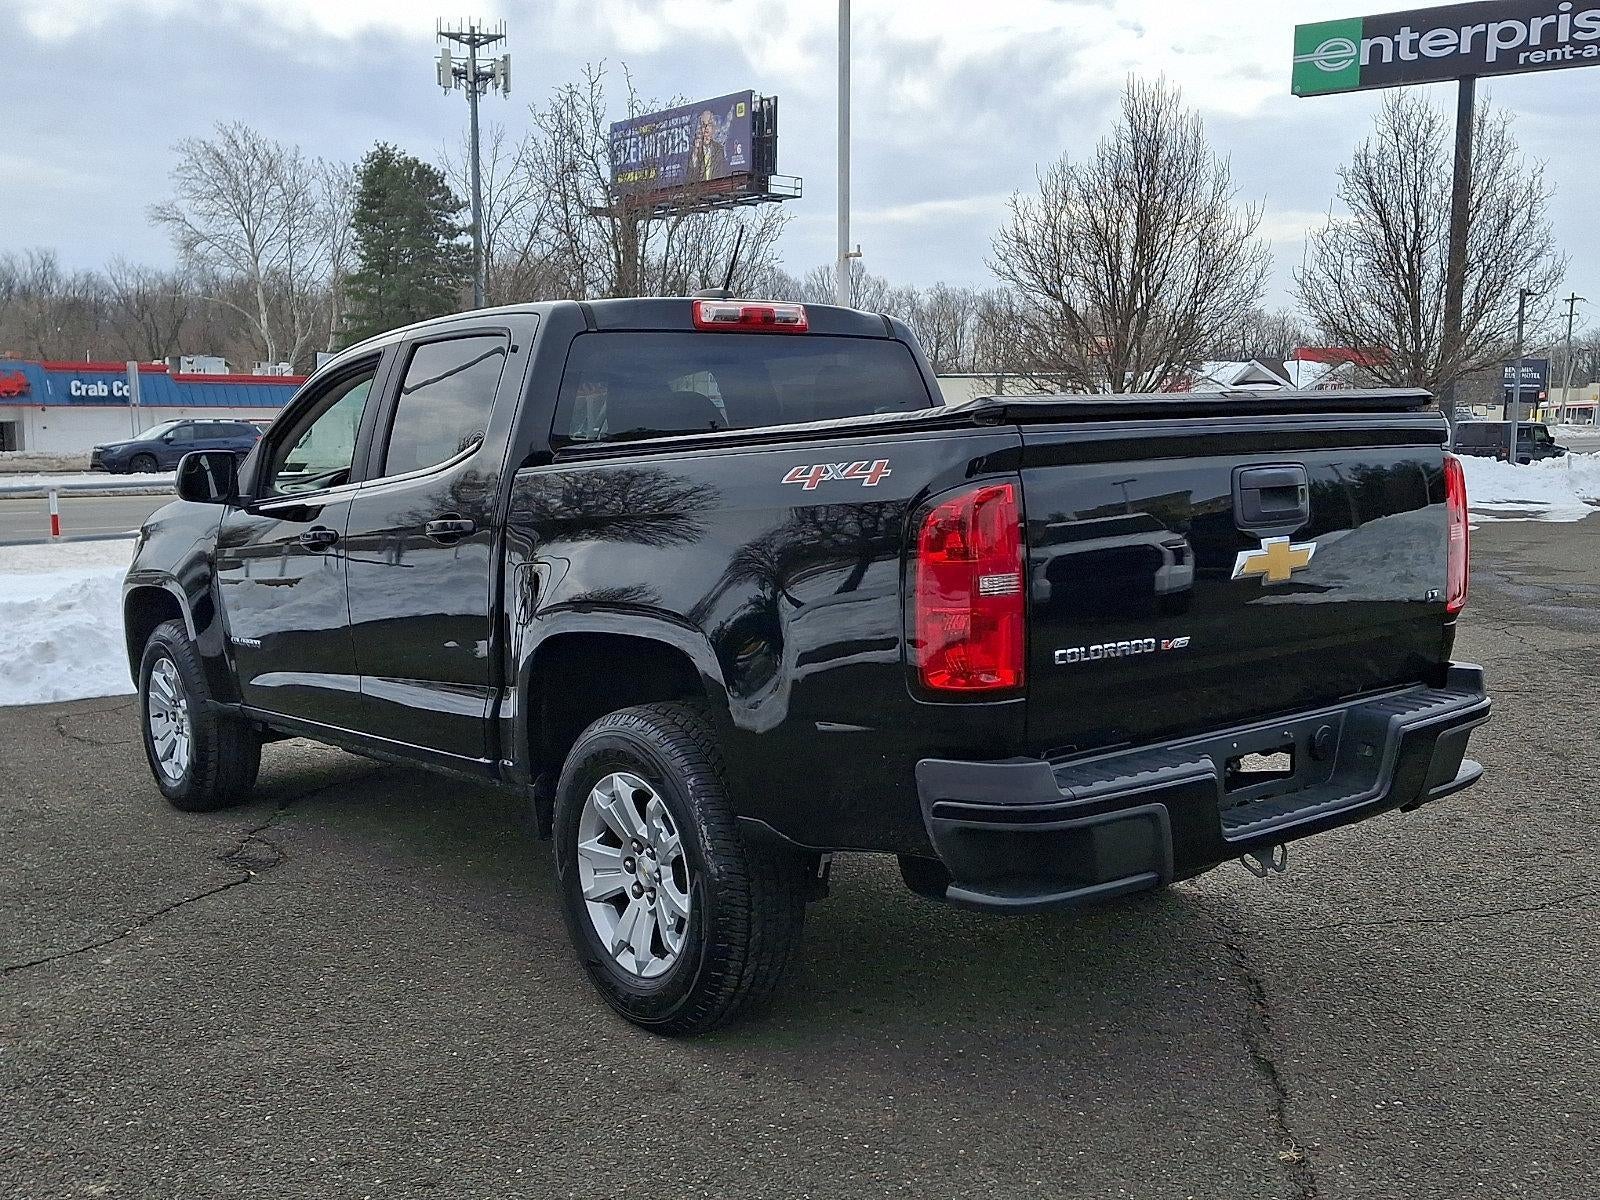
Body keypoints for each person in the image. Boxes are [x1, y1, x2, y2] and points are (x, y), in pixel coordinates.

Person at [688, 110, 729, 183]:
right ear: (700, 128)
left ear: (713, 128)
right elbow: (689, 179)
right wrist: (695, 153)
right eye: (704, 125)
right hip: (699, 191)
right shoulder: (695, 150)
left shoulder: (719, 149)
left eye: (709, 125)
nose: (706, 128)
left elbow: (722, 174)